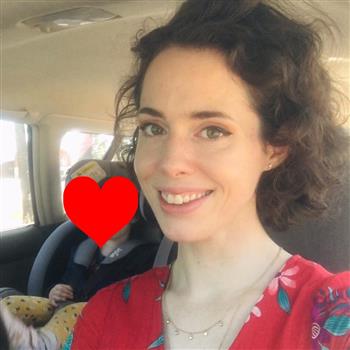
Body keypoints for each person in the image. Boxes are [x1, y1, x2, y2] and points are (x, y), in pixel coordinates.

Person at [67, 0, 350, 349]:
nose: (170, 163)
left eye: (213, 131)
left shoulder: (335, 319)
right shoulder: (105, 314)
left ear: (275, 146)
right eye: (154, 128)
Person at [1, 222, 159, 349]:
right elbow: (66, 279)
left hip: (97, 318)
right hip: (62, 305)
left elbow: (138, 302)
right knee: (10, 302)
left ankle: (41, 344)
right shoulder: (84, 248)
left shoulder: (144, 255)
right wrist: (54, 291)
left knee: (77, 310)